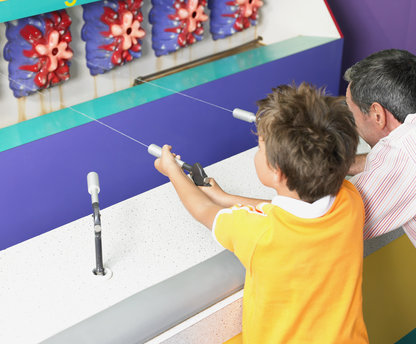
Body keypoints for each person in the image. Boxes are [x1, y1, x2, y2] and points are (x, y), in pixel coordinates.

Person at [154, 83, 368, 343]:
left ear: (278, 171)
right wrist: (225, 197)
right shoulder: (349, 199)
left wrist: (172, 171)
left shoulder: (259, 234)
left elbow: (202, 210)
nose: (256, 152)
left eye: (259, 147)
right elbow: (287, 211)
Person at [344, 49, 416, 247]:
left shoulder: (402, 153)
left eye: (352, 113)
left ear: (377, 114)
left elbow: (327, 222)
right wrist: (341, 163)